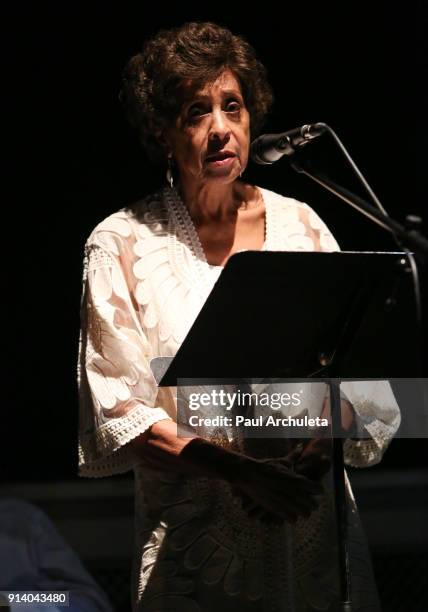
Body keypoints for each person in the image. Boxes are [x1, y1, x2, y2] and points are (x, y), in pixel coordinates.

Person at [78, 22, 401, 611]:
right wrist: (246, 475)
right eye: (197, 112)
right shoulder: (120, 242)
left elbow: (363, 386)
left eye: (233, 106)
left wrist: (317, 452)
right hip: (198, 554)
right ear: (162, 129)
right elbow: (123, 416)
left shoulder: (303, 226)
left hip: (313, 531)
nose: (221, 128)